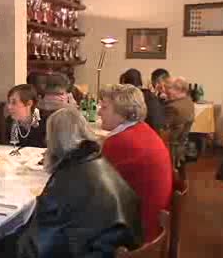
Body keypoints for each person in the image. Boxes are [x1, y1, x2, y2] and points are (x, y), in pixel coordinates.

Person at [15, 107, 143, 257]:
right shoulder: (100, 163)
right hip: (120, 245)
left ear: (54, 142)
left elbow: (36, 248)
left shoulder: (65, 180)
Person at [99, 84, 173, 242]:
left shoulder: (120, 142)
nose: (99, 112)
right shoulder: (142, 128)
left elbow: (97, 188)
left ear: (122, 113)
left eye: (104, 108)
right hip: (154, 221)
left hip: (139, 230)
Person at [163, 76, 195, 170]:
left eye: (169, 88)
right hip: (181, 143)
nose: (166, 91)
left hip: (171, 145)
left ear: (178, 90)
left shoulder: (172, 107)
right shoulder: (189, 101)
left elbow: (163, 128)